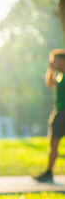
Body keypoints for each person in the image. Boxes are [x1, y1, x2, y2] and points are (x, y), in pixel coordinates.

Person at [34, 49, 65, 183]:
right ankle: (48, 172)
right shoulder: (59, 76)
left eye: (54, 61)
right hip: (59, 113)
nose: (52, 63)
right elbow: (50, 84)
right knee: (53, 144)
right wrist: (51, 70)